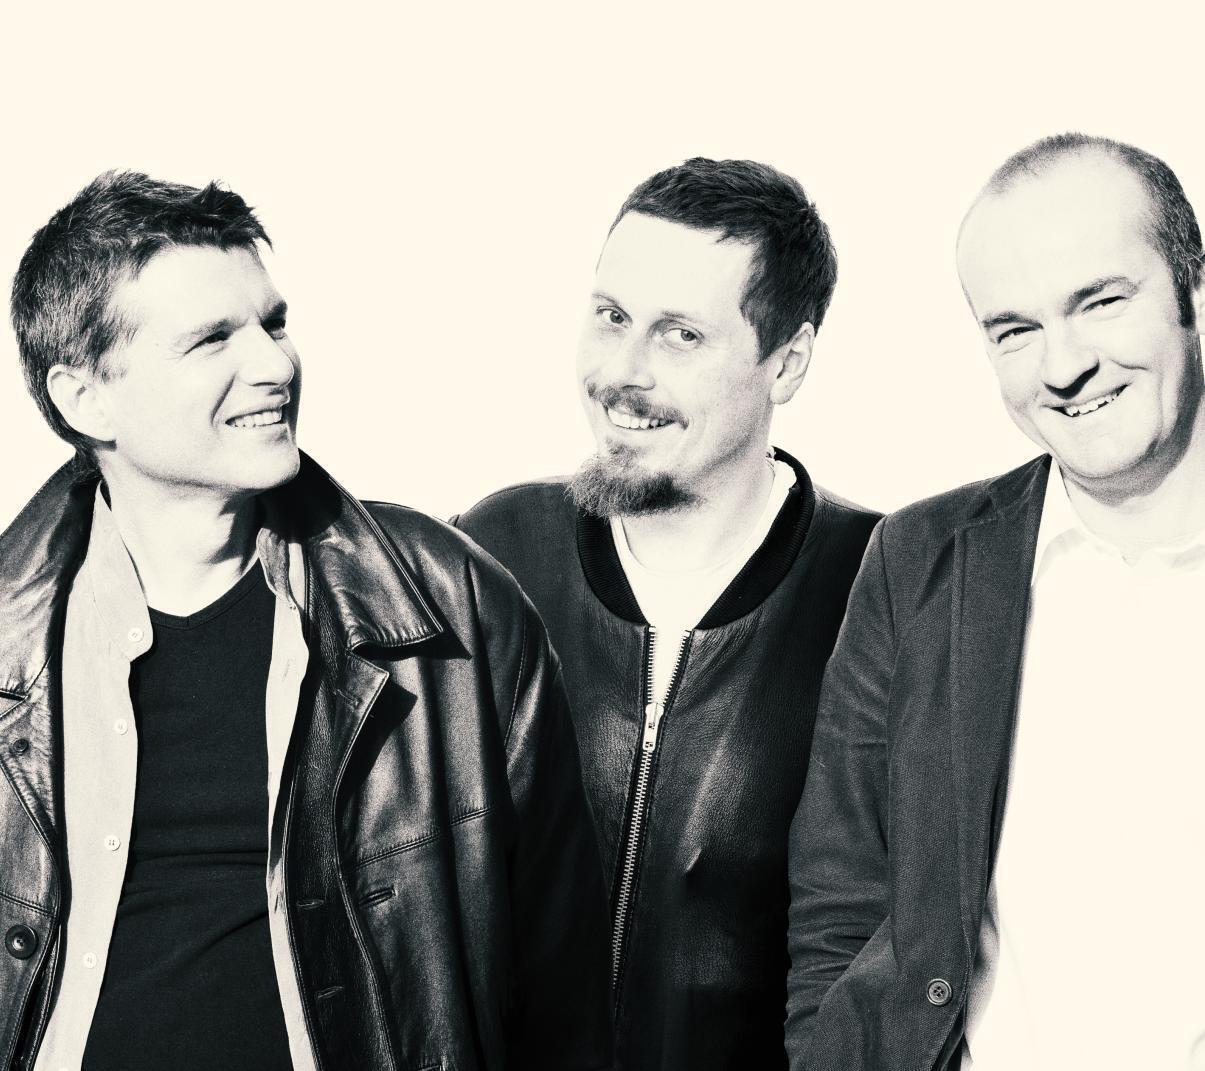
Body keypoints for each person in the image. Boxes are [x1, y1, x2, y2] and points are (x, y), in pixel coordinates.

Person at [0, 171, 611, 1071]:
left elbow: (562, 993)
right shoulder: (14, 640)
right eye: (213, 338)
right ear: (85, 397)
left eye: (274, 324)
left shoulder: (451, 607)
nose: (274, 365)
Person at [785, 133, 1205, 1070]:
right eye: (1013, 329)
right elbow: (838, 902)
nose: (1062, 366)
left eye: (1099, 302)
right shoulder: (918, 560)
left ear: (1192, 289)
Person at [455, 157, 880, 1070]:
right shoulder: (492, 551)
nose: (621, 373)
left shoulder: (879, 584)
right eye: (610, 317)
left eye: (679, 335)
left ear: (786, 362)